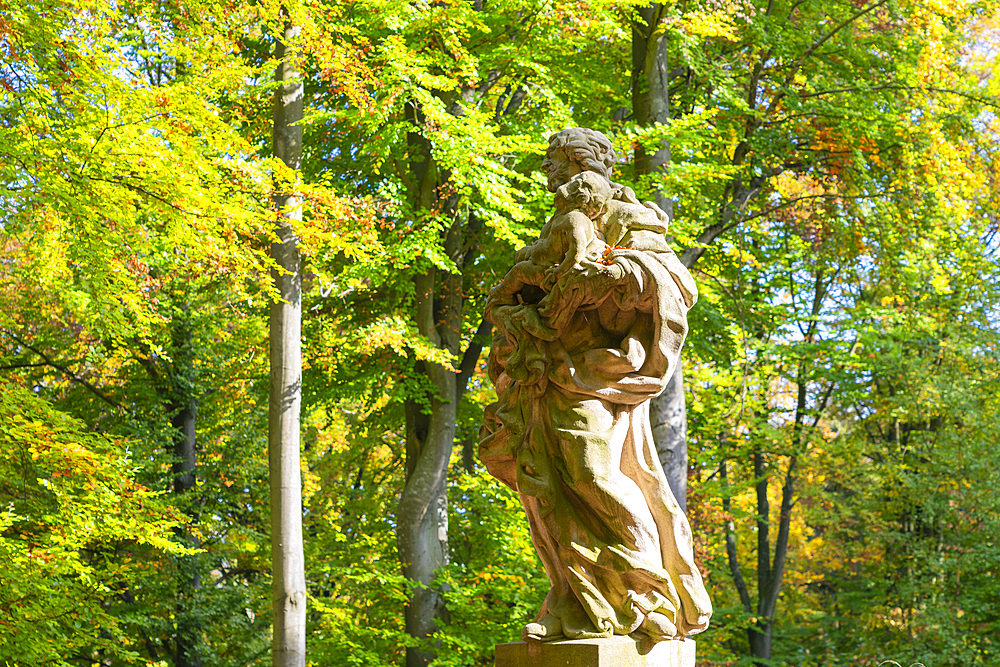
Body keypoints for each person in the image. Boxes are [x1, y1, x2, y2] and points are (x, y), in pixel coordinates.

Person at [479, 128, 712, 643]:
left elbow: (675, 282)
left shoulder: (628, 217)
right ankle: (578, 600)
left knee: (592, 475)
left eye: (559, 165)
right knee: (547, 488)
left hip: (594, 375)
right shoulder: (559, 226)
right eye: (552, 169)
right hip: (545, 373)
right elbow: (518, 290)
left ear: (588, 165)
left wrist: (617, 275)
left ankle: (649, 592)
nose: (553, 176)